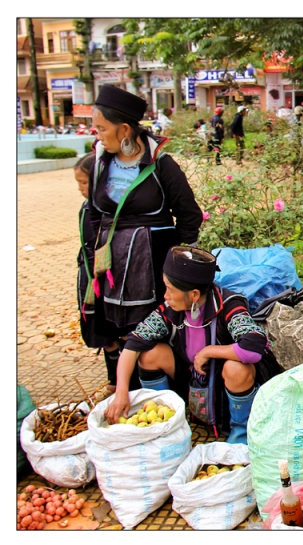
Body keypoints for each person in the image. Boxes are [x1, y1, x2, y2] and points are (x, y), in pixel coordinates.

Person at [104, 247, 282, 444]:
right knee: (149, 354)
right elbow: (133, 344)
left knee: (237, 367)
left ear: (195, 295)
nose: (166, 296)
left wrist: (209, 351)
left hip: (224, 390)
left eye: (170, 289)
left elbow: (253, 348)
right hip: (193, 382)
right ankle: (168, 422)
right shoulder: (171, 310)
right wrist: (121, 392)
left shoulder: (229, 306)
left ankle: (241, 434)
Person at [87, 84, 203, 383]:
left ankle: (155, 386)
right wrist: (90, 256)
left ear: (124, 129)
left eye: (101, 128)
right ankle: (118, 384)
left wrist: (177, 265)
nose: (96, 134)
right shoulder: (100, 162)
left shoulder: (161, 164)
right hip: (109, 264)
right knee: (111, 327)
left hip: (151, 266)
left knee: (149, 327)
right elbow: (94, 213)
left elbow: (189, 216)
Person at [74, 153, 141, 396]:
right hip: (93, 280)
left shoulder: (112, 209)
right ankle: (114, 381)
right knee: (104, 335)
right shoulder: (86, 208)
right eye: (78, 183)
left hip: (112, 281)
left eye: (84, 182)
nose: (81, 188)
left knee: (120, 331)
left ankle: (130, 384)